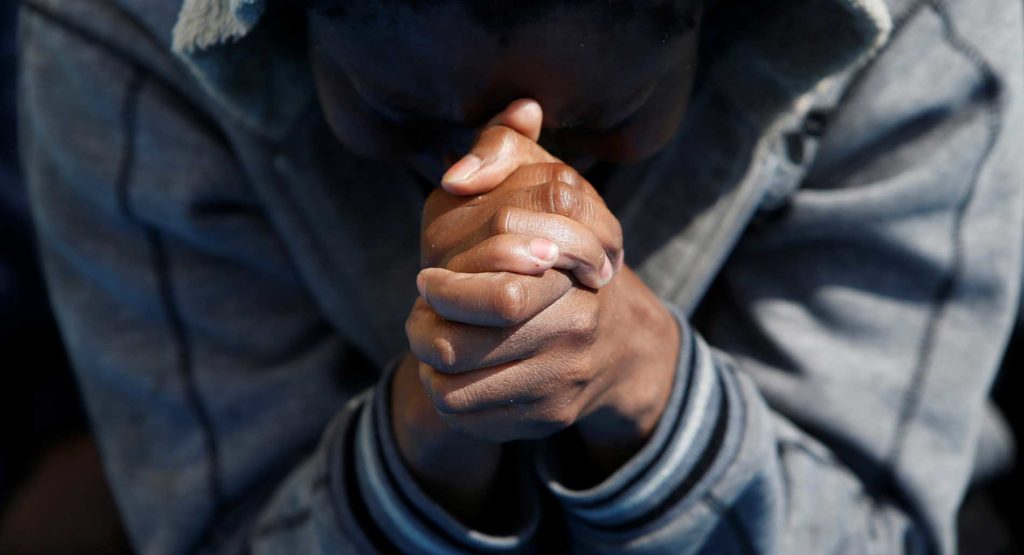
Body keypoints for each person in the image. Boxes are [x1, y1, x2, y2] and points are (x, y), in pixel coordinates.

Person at [16, 0, 1022, 553]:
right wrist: (428, 430)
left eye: (590, 124)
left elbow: (872, 535)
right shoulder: (118, 34)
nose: (500, 175)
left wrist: (646, 382)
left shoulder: (936, 38)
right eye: (404, 115)